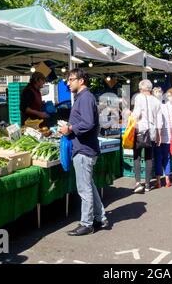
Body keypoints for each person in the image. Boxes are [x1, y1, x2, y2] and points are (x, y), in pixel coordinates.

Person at [60, 68, 108, 236]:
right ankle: (100, 217)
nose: (68, 82)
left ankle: (86, 224)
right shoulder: (82, 97)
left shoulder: (85, 98)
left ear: (81, 81)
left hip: (84, 149)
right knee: (90, 186)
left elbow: (88, 123)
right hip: (85, 147)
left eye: (71, 79)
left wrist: (70, 128)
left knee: (84, 188)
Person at [132, 80, 163, 193]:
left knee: (137, 156)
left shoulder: (139, 97)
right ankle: (148, 184)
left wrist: (131, 118)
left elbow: (136, 113)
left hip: (141, 129)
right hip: (152, 131)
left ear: (141, 89)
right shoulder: (156, 101)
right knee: (149, 157)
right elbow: (159, 119)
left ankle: (138, 183)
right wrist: (159, 135)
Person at [152, 87, 172, 188]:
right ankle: (168, 180)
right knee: (167, 158)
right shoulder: (166, 106)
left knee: (158, 158)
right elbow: (171, 121)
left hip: (157, 135)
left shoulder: (153, 106)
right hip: (167, 136)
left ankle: (158, 181)